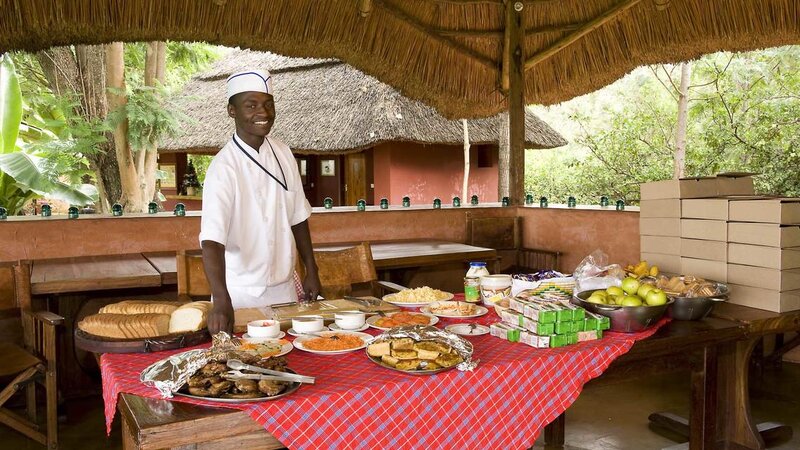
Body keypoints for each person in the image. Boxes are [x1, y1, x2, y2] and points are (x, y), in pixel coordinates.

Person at [200, 69, 321, 335]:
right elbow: (211, 240)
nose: (263, 113)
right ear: (232, 111)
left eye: (268, 104)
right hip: (242, 294)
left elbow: (298, 217)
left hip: (286, 288)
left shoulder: (284, 153)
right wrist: (221, 300)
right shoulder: (223, 167)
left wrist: (311, 269)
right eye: (251, 105)